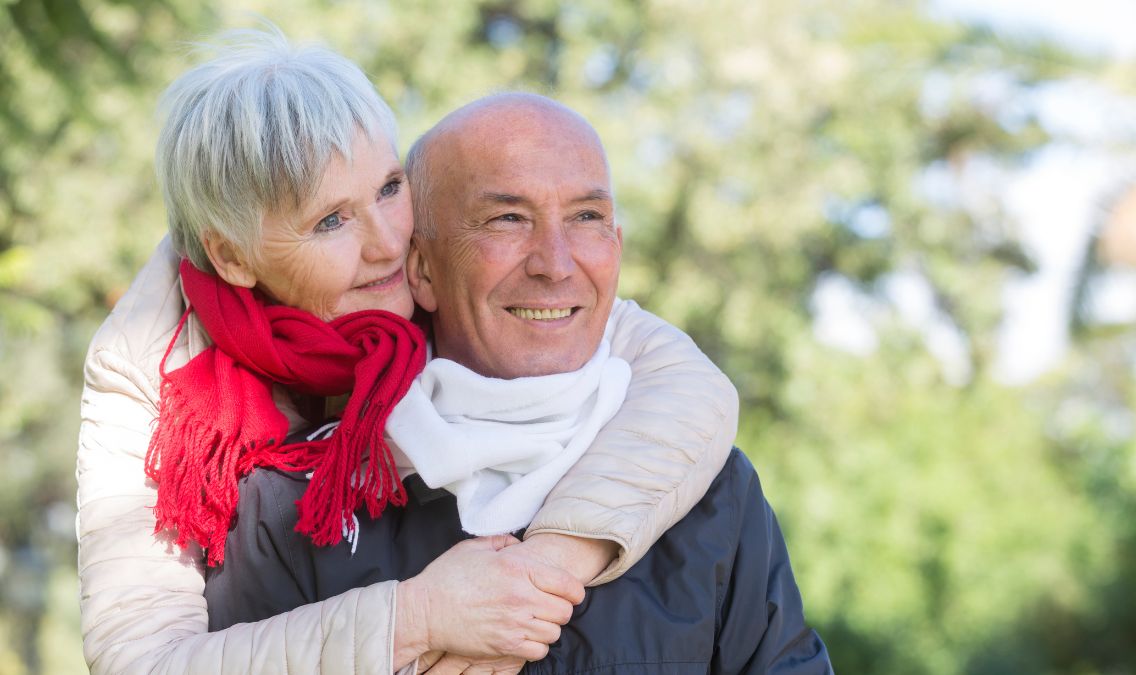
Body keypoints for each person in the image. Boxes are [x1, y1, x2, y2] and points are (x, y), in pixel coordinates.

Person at [76, 29, 739, 674]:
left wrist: (545, 573)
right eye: (331, 220)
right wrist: (417, 617)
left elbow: (685, 386)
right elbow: (141, 661)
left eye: (390, 187)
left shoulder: (428, 273)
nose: (389, 243)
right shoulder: (146, 369)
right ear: (230, 254)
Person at [206, 93, 834, 673]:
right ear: (420, 268)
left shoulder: (710, 488)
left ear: (616, 246)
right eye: (508, 219)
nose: (556, 264)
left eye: (586, 216)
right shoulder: (291, 507)